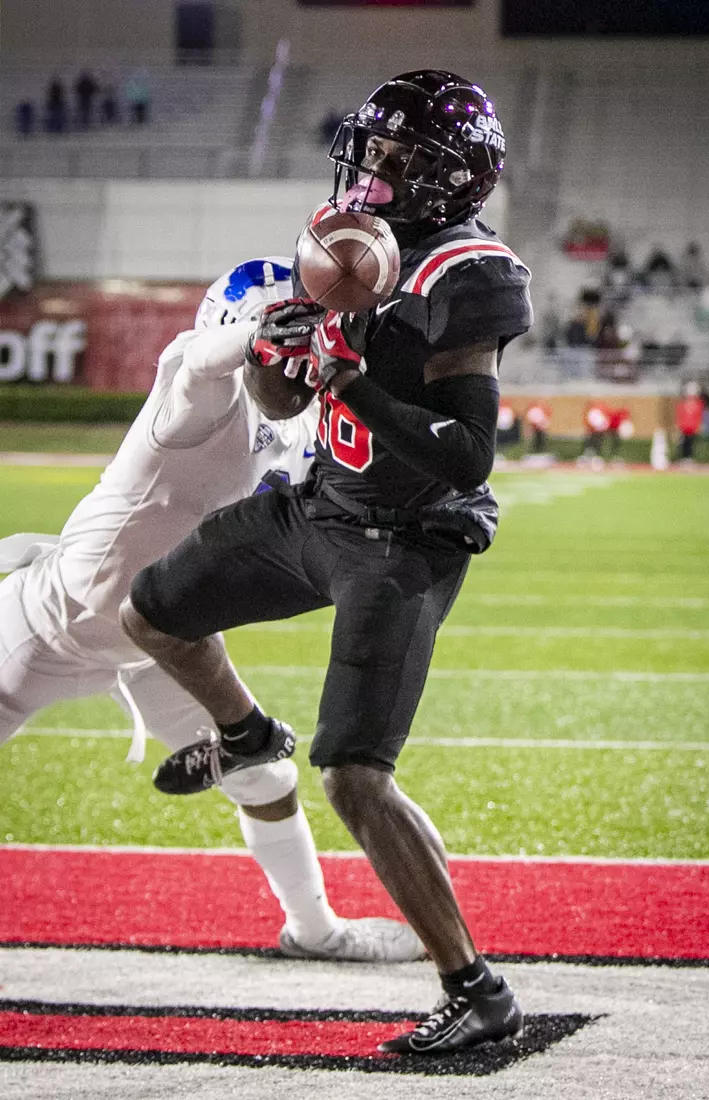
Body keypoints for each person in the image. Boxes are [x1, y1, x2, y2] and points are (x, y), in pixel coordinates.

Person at [121, 69, 532, 1055]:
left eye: (397, 162)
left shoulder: (466, 273)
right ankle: (247, 731)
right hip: (321, 509)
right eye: (371, 150)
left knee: (353, 774)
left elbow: (466, 449)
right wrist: (283, 355)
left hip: (404, 542)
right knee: (151, 611)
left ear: (448, 181)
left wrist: (355, 373)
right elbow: (277, 408)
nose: (370, 171)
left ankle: (476, 990)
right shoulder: (349, 241)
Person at [0, 255, 423, 965]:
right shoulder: (204, 393)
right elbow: (199, 358)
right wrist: (265, 331)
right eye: (283, 345)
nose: (294, 366)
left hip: (157, 638)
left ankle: (313, 930)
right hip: (43, 626)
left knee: (265, 779)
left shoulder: (298, 425)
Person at [675, 381, 704, 463]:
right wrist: (678, 427)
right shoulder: (682, 404)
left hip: (693, 428)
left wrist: (699, 426)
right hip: (684, 427)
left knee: (691, 443)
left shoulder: (699, 403)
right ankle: (683, 458)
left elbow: (699, 416)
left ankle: (689, 458)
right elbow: (680, 416)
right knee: (683, 444)